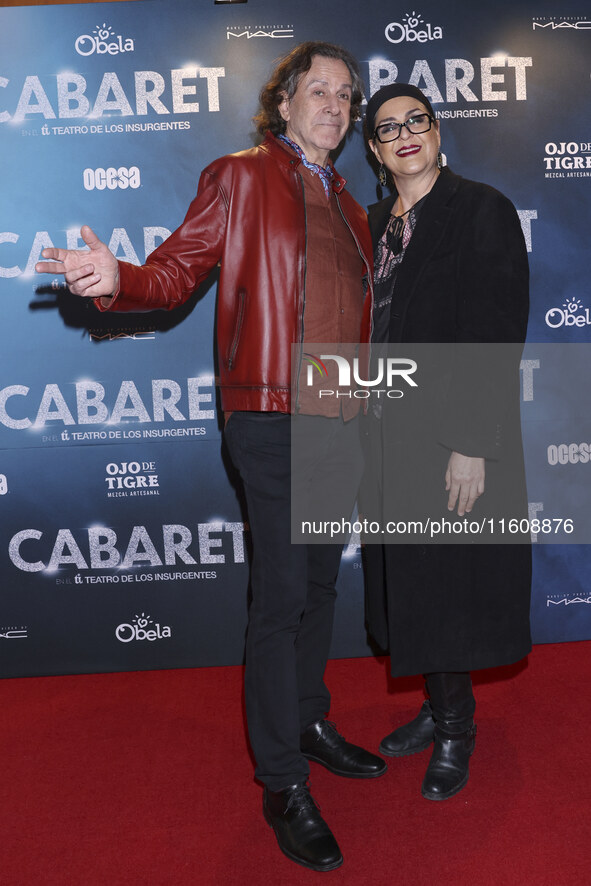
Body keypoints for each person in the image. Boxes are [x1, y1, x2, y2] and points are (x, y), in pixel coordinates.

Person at [35, 42, 387, 872]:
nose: (335, 106)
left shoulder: (353, 203)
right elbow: (174, 273)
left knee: (321, 584)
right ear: (285, 100)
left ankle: (306, 716)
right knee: (283, 595)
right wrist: (112, 275)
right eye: (320, 91)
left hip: (342, 418)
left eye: (346, 95)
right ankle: (281, 781)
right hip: (268, 413)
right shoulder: (240, 175)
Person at [361, 83, 531, 801]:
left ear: (436, 133)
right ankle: (436, 708)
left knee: (452, 581)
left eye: (416, 122)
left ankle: (457, 726)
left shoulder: (480, 209)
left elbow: (495, 331)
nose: (403, 135)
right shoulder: (369, 221)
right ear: (372, 149)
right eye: (386, 128)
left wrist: (471, 443)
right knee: (415, 584)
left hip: (453, 433)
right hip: (386, 433)